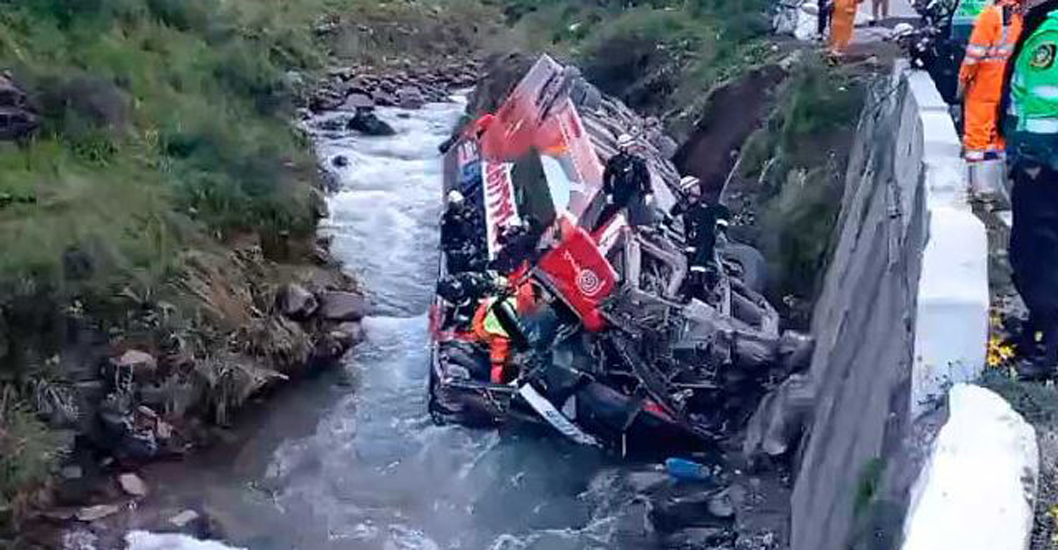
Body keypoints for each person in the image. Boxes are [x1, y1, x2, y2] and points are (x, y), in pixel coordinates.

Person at [1000, 0, 1058, 377]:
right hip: (1040, 164)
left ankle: (1048, 349)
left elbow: (1043, 103)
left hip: (1044, 167)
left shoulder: (1050, 34)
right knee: (1032, 254)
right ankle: (1040, 327)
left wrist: (1033, 159)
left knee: (1038, 256)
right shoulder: (1040, 24)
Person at [959, 0, 1025, 161]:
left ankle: (975, 162)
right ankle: (997, 161)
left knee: (978, 118)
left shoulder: (990, 15)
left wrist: (964, 76)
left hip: (984, 77)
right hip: (1006, 77)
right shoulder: (1018, 17)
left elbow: (975, 53)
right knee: (997, 120)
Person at [669, 176, 731, 301]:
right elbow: (669, 217)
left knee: (699, 268)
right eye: (694, 186)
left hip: (705, 242)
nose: (698, 188)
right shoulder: (683, 206)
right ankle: (691, 294)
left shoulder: (706, 203)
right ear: (687, 190)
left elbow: (723, 212)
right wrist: (660, 230)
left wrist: (720, 228)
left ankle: (691, 296)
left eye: (697, 186)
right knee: (689, 269)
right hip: (691, 243)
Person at [598, 134, 653, 228]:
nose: (634, 148)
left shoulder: (638, 162)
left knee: (630, 219)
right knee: (605, 215)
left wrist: (648, 192)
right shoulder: (614, 161)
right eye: (631, 146)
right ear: (623, 148)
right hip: (618, 194)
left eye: (633, 146)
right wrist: (608, 193)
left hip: (634, 195)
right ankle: (595, 231)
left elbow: (646, 178)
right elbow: (606, 177)